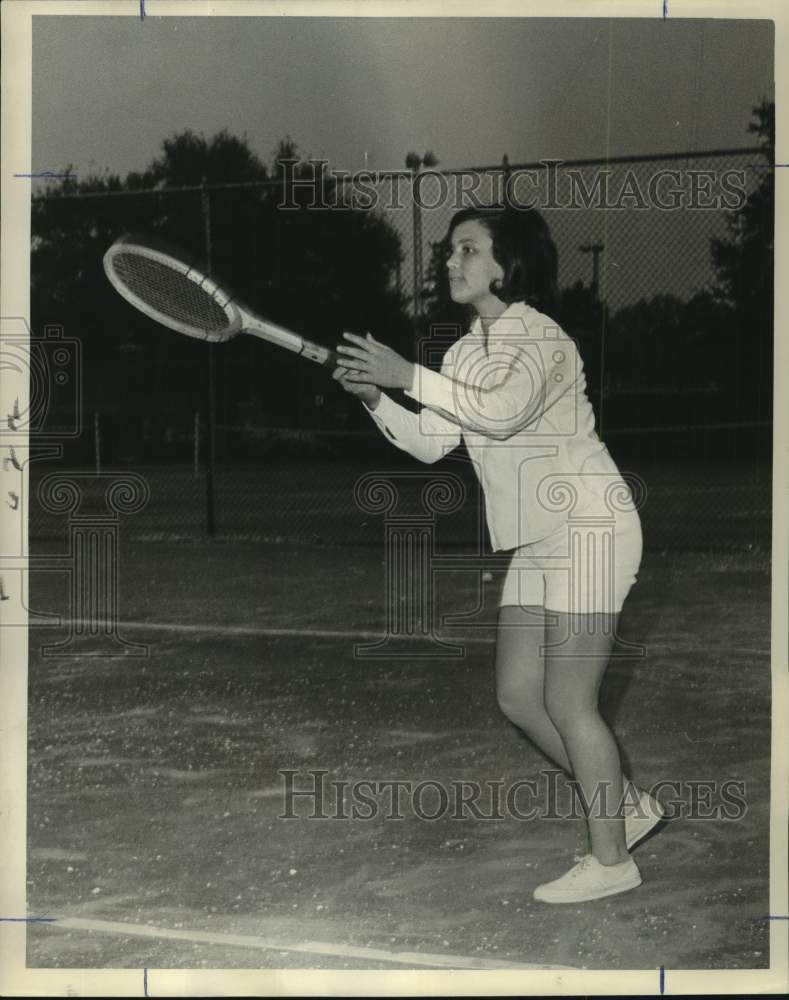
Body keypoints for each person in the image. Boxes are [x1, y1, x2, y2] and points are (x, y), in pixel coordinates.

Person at [333, 205, 663, 904]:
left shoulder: (541, 338)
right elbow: (431, 442)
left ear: (506, 264)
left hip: (590, 526)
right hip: (539, 539)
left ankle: (611, 860)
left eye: (467, 249)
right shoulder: (460, 353)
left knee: (570, 701)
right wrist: (374, 398)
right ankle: (625, 806)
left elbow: (503, 410)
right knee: (518, 696)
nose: (450, 262)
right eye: (450, 251)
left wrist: (402, 372)